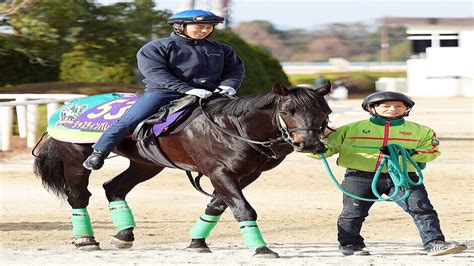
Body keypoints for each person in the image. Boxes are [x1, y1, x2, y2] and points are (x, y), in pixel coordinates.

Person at [308, 91, 467, 256]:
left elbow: (432, 151)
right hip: (359, 177)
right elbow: (328, 149)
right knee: (353, 213)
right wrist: (316, 148)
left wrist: (410, 153)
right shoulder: (349, 129)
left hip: (403, 176)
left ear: (406, 109)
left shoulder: (422, 131)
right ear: (372, 108)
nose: (393, 109)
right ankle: (351, 245)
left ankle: (435, 243)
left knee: (422, 208)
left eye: (399, 106)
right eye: (386, 106)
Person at [83, 9, 245, 170]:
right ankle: (99, 152)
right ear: (178, 26)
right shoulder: (156, 47)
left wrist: (229, 85)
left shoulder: (221, 49)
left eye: (209, 27)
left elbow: (235, 68)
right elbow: (156, 73)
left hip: (211, 93)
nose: (204, 30)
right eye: (200, 26)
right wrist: (187, 89)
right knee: (129, 121)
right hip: (164, 92)